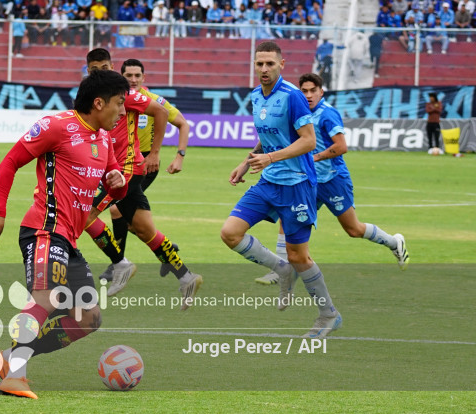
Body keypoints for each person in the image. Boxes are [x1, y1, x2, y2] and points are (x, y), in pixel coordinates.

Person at [0, 70, 129, 399]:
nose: (122, 111)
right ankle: (15, 376)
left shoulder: (105, 139)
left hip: (70, 240)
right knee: (46, 299)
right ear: (99, 102)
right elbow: (10, 161)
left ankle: (9, 359)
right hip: (44, 230)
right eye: (119, 104)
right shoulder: (56, 126)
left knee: (88, 318)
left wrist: (117, 182)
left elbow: (114, 185)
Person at [220, 41, 342, 339]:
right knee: (230, 233)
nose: (264, 69)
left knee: (299, 256)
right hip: (268, 181)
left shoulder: (293, 97)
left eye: (270, 64)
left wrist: (270, 158)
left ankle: (329, 314)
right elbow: (268, 137)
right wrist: (246, 163)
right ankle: (282, 269)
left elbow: (309, 141)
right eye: (259, 63)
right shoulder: (255, 97)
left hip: (297, 184)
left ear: (281, 64)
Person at [254, 72, 409, 286]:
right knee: (288, 218)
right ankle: (282, 270)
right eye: (304, 91)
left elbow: (341, 146)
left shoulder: (327, 114)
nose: (308, 95)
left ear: (321, 92)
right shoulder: (296, 111)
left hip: (332, 179)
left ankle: (394, 242)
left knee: (353, 229)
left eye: (312, 91)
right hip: (307, 180)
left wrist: (313, 156)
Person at [83, 49, 203, 305]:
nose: (100, 73)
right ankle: (186, 277)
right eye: (95, 70)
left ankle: (119, 264)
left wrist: (155, 154)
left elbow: (161, 112)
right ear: (88, 71)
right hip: (108, 170)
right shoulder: (91, 95)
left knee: (83, 214)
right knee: (144, 229)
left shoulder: (123, 93)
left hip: (126, 170)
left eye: (105, 67)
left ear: (112, 66)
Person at [98, 58, 191, 283]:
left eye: (137, 76)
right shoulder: (118, 99)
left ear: (143, 78)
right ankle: (164, 249)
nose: (133, 80)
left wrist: (178, 155)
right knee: (132, 221)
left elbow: (183, 124)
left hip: (143, 165)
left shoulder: (152, 100)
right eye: (128, 76)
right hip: (117, 164)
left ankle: (118, 263)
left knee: (114, 211)